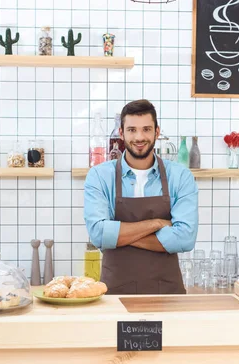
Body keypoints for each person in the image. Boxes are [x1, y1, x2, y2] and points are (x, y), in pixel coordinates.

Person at [84, 99, 199, 295]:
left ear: (157, 131)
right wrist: (156, 224)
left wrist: (117, 236)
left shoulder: (180, 176)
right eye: (131, 130)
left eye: (146, 129)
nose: (139, 137)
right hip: (116, 295)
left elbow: (185, 239)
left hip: (168, 294)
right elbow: (99, 235)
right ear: (121, 133)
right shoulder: (100, 176)